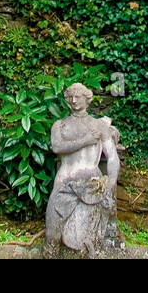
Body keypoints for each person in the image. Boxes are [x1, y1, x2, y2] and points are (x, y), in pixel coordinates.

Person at [44, 83, 120, 257]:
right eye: (70, 97)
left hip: (92, 183)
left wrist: (111, 182)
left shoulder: (99, 126)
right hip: (64, 182)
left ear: (87, 99)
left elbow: (113, 157)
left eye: (78, 97)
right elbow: (57, 147)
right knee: (52, 233)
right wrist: (86, 140)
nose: (74, 100)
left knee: (90, 238)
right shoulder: (59, 125)